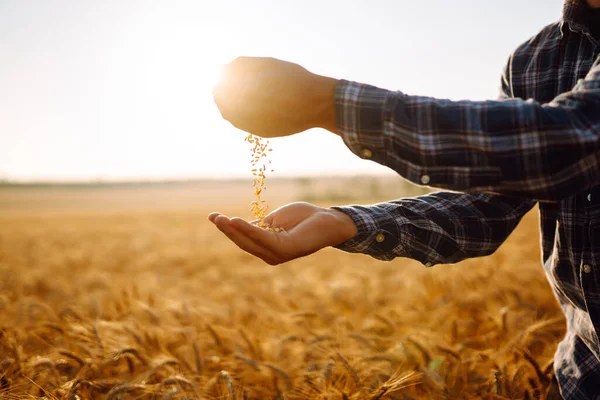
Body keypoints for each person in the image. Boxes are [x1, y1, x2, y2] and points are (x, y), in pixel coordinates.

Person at [211, 0, 600, 398]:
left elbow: (571, 141)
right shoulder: (533, 60)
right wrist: (346, 221)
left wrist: (325, 103)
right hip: (582, 374)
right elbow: (490, 207)